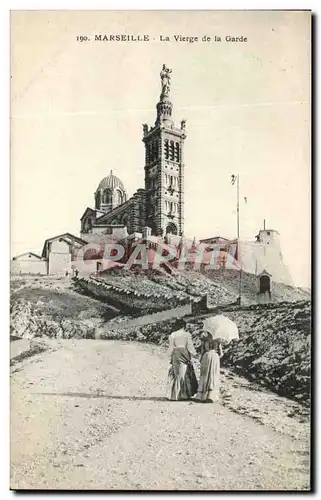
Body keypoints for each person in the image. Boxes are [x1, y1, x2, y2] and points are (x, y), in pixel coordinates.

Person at [167, 320, 198, 401]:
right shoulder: (187, 334)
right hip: (184, 352)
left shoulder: (173, 334)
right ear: (184, 326)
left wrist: (170, 356)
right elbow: (190, 347)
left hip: (176, 353)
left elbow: (171, 347)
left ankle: (175, 395)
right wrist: (195, 355)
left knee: (177, 374)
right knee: (184, 372)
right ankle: (184, 394)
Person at [194, 319, 224, 403]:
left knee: (204, 375)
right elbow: (221, 353)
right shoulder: (218, 340)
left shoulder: (204, 339)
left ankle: (201, 396)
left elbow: (202, 351)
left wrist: (200, 359)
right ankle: (211, 395)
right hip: (214, 356)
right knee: (213, 375)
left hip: (206, 356)